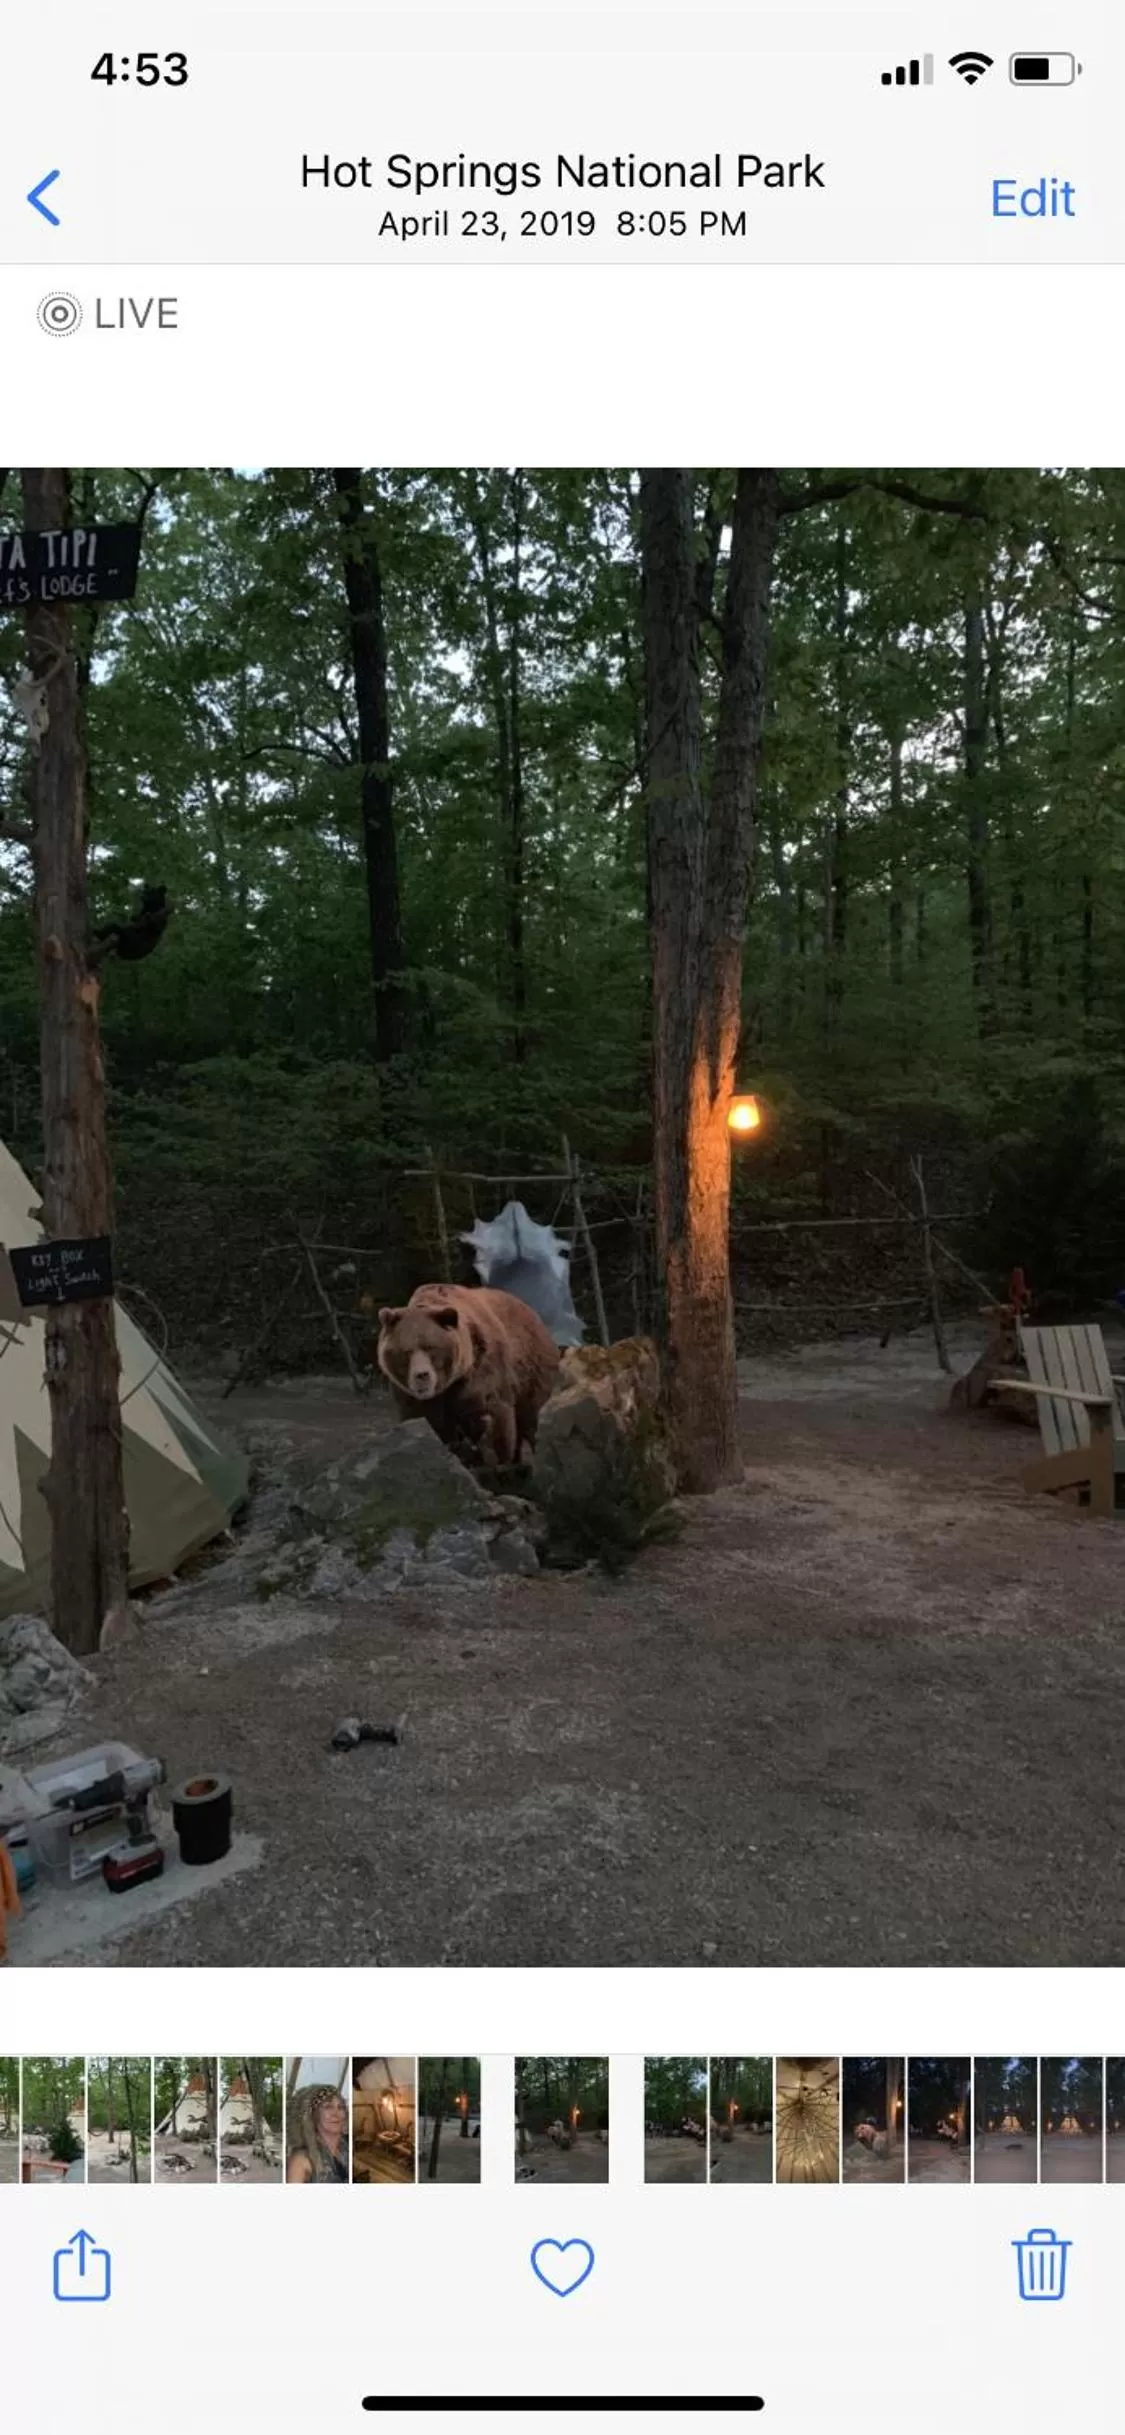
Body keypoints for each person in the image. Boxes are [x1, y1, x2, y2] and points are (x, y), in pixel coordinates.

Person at [286, 2085, 349, 2183]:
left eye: (340, 2107)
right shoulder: (302, 2161)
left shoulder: (346, 2149)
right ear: (314, 2115)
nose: (335, 2114)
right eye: (328, 2107)